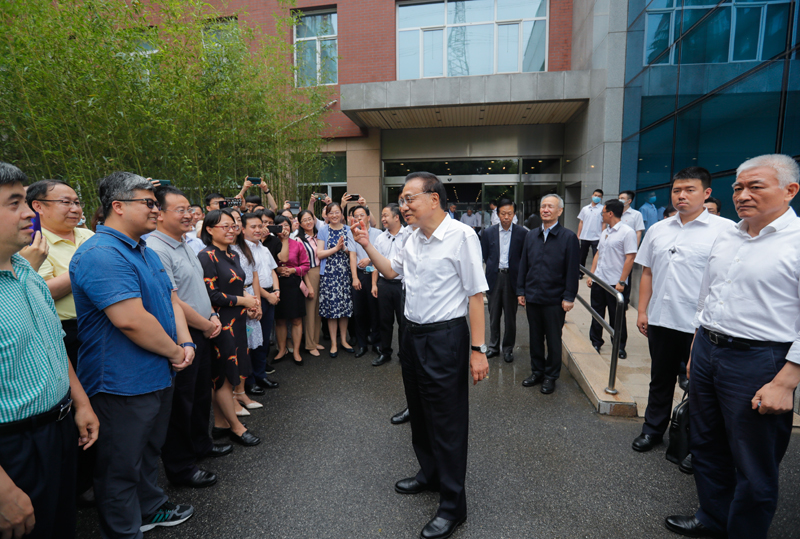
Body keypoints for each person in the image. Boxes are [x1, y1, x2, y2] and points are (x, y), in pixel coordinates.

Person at [665, 155, 800, 539]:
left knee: (754, 462)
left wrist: (786, 381)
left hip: (761, 359)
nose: (743, 194)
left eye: (755, 186)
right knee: (707, 444)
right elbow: (707, 297)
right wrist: (696, 348)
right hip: (709, 349)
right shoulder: (728, 236)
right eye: (738, 187)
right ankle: (712, 516)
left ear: (790, 190)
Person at [352, 172, 489, 539]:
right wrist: (367, 244)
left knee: (447, 421)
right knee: (421, 413)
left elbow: (476, 296)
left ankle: (452, 505)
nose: (403, 205)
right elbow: (391, 271)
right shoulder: (409, 238)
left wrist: (478, 351)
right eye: (401, 199)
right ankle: (429, 474)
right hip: (412, 335)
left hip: (447, 338)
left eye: (409, 198)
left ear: (434, 199)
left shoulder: (462, 237)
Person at [70, 172, 196, 537]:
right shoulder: (100, 254)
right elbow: (130, 321)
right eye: (150, 203)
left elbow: (171, 301)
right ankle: (126, 530)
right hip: (122, 383)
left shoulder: (144, 250)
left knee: (145, 452)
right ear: (118, 206)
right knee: (119, 467)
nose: (157, 210)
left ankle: (151, 509)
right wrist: (176, 350)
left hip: (157, 372)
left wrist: (185, 344)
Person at [0, 162, 98, 539]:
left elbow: (53, 343)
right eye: (14, 204)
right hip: (12, 448)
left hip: (57, 429)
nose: (28, 213)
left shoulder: (27, 273)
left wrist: (81, 402)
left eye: (26, 201)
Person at [632, 167, 733, 454]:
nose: (682, 196)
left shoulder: (725, 231)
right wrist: (642, 311)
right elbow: (648, 273)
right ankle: (652, 430)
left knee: (699, 386)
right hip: (661, 320)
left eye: (690, 190)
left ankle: (693, 443)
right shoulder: (658, 229)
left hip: (699, 325)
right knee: (660, 379)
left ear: (707, 193)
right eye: (677, 190)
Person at [147, 186, 231, 489]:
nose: (188, 214)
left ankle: (201, 445)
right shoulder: (155, 248)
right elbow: (174, 301)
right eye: (180, 210)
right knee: (180, 403)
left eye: (189, 208)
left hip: (203, 325)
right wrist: (204, 324)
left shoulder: (184, 243)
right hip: (183, 333)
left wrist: (210, 317)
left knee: (198, 395)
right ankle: (181, 467)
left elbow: (196, 289)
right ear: (159, 213)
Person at [198, 210, 261, 447]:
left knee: (229, 373)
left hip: (238, 319)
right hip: (220, 323)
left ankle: (221, 424)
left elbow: (236, 285)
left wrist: (250, 301)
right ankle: (236, 427)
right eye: (224, 226)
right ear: (209, 229)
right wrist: (243, 301)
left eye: (233, 226)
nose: (230, 230)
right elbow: (210, 294)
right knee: (222, 377)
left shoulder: (232, 254)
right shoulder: (206, 256)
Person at [26, 180, 94, 370]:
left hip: (102, 323)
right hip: (68, 332)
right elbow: (45, 291)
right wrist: (88, 267)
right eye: (66, 202)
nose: (75, 209)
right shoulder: (35, 243)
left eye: (77, 203)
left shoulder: (88, 236)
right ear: (38, 206)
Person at [517, 194, 580, 394]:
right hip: (533, 296)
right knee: (535, 338)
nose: (545, 209)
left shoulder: (568, 237)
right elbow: (523, 265)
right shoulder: (531, 235)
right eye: (543, 206)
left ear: (559, 211)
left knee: (553, 340)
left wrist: (569, 296)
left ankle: (551, 376)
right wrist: (521, 290)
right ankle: (537, 371)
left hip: (555, 299)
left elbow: (572, 270)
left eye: (550, 206)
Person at [234, 213, 280, 390]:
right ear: (243, 229)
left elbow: (273, 271)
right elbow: (250, 281)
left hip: (269, 295)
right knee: (249, 341)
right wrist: (266, 297)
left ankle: (261, 375)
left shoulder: (263, 248)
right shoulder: (239, 251)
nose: (258, 230)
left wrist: (276, 291)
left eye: (260, 226)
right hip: (251, 297)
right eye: (253, 227)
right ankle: (249, 380)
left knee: (263, 340)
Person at [587, 199, 637, 359]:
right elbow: (598, 253)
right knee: (597, 313)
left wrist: (622, 281)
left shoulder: (627, 232)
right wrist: (592, 274)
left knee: (617, 316)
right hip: (599, 280)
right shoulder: (605, 231)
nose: (601, 215)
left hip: (615, 283)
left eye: (603, 212)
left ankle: (619, 345)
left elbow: (630, 258)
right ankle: (595, 341)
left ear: (610, 213)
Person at [480, 199, 526, 363]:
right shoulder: (489, 232)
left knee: (510, 317)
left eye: (509, 213)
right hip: (494, 277)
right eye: (503, 213)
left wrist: (522, 286)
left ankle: (508, 349)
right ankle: (493, 347)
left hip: (512, 278)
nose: (506, 217)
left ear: (514, 214)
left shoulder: (522, 233)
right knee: (493, 316)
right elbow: (485, 256)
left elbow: (524, 259)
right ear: (497, 214)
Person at [317, 202, 357, 358]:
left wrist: (345, 248)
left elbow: (353, 253)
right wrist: (335, 248)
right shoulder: (323, 230)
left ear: (342, 214)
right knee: (332, 310)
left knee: (344, 309)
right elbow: (319, 254)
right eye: (331, 213)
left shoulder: (348, 230)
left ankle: (344, 340)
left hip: (344, 274)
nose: (334, 215)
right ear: (326, 215)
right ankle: (334, 343)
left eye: (337, 212)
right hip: (329, 274)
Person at [372, 203, 409, 368]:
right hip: (384, 284)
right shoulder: (380, 238)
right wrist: (374, 284)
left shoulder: (409, 235)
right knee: (384, 321)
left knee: (404, 322)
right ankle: (385, 352)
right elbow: (375, 264)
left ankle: (404, 354)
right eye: (382, 216)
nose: (382, 219)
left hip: (402, 284)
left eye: (386, 215)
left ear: (396, 217)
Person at [272, 215, 310, 366]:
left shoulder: (297, 244)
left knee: (296, 319)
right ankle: (282, 350)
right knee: (280, 320)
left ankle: (296, 351)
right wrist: (278, 269)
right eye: (280, 226)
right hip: (276, 285)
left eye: (287, 225)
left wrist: (293, 270)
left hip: (293, 284)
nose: (284, 229)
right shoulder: (271, 244)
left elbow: (306, 265)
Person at [350, 204, 382, 358]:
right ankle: (362, 345)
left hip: (374, 274)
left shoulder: (378, 233)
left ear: (368, 217)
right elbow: (352, 256)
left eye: (361, 215)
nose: (358, 218)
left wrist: (369, 258)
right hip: (360, 276)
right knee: (359, 312)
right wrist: (355, 278)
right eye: (356, 216)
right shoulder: (352, 233)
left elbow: (381, 254)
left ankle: (376, 343)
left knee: (375, 311)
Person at [296, 210, 325, 357]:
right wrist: (309, 284)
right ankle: (309, 344)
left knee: (318, 310)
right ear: (300, 223)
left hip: (321, 272)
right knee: (309, 310)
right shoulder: (299, 240)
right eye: (305, 220)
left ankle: (315, 339)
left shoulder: (318, 235)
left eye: (310, 219)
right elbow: (302, 263)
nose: (308, 222)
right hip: (309, 273)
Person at [576, 189, 604, 269]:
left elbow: (604, 223)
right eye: (595, 195)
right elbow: (581, 222)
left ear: (601, 198)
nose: (596, 197)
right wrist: (578, 234)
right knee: (582, 255)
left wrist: (603, 235)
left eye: (599, 196)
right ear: (592, 196)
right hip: (585, 236)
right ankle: (580, 272)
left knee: (596, 255)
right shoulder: (585, 209)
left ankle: (595, 273)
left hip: (597, 237)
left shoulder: (603, 209)